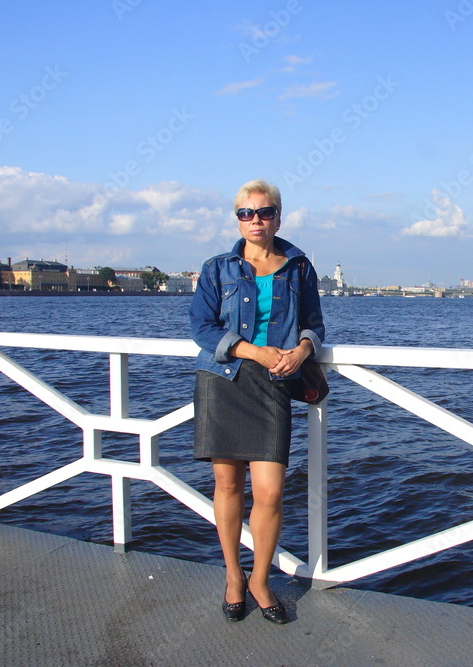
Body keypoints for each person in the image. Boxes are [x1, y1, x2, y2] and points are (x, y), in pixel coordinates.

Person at [189, 179, 325, 624]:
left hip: (273, 383)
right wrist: (253, 351)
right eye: (246, 213)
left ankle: (260, 580)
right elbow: (202, 328)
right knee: (228, 485)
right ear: (238, 220)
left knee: (270, 491)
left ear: (278, 218)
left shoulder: (298, 267)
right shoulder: (217, 269)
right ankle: (234, 577)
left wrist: (302, 350)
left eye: (265, 212)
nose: (256, 220)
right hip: (223, 379)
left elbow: (313, 323)